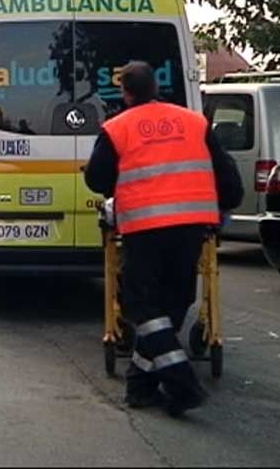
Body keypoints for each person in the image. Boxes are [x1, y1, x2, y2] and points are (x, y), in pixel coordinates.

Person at [85, 61, 243, 416]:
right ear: (156, 86)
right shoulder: (194, 122)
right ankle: (140, 386)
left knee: (141, 306)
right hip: (191, 226)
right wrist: (223, 208)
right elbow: (227, 178)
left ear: (125, 92)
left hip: (145, 226)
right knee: (172, 303)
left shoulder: (117, 128)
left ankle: (182, 385)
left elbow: (96, 179)